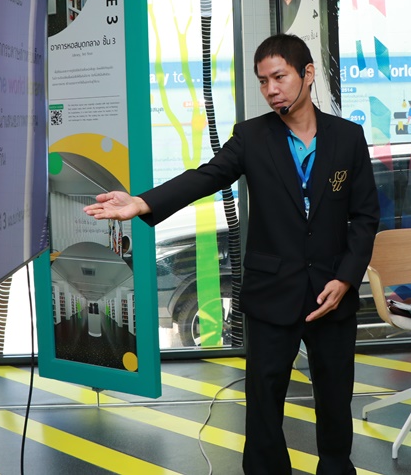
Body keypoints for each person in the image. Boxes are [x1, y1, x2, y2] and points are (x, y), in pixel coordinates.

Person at [84, 33, 379, 475]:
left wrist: (347, 278)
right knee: (263, 404)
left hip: (331, 295)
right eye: (262, 81)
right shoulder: (253, 136)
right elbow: (206, 176)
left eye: (279, 77)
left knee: (336, 401)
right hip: (271, 292)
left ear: (308, 74)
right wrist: (143, 203)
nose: (270, 89)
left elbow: (365, 216)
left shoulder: (348, 138)